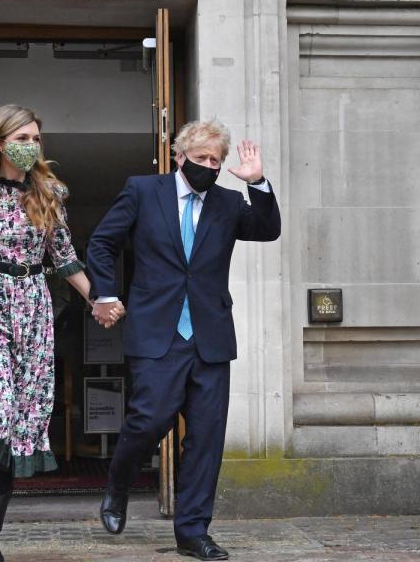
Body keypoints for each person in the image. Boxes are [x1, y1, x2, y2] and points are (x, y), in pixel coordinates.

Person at [0, 104, 123, 562]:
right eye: (22, 139)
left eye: (37, 139)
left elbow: (64, 257)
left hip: (33, 307)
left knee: (18, 425)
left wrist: (96, 299)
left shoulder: (48, 192)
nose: (31, 147)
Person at [87, 119, 280, 561]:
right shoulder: (142, 191)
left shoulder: (229, 203)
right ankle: (118, 483)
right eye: (201, 159)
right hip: (158, 333)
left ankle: (192, 532)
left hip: (210, 337)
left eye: (216, 160)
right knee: (148, 421)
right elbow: (101, 243)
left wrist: (259, 184)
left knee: (206, 438)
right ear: (179, 157)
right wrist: (107, 292)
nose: (209, 167)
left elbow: (268, 229)